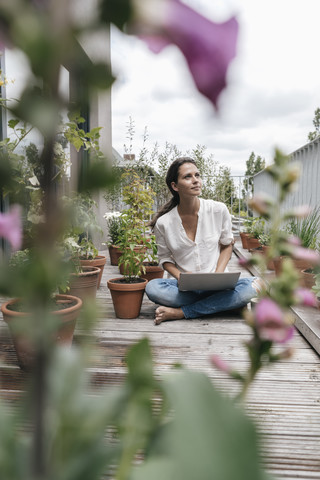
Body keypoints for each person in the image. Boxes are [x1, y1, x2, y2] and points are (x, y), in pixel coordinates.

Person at [145, 157, 262, 325]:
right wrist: (180, 277)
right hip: (186, 289)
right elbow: (164, 259)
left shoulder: (218, 209)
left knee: (257, 284)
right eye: (188, 177)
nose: (195, 180)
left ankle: (182, 312)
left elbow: (227, 245)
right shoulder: (164, 223)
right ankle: (225, 304)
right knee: (152, 288)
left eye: (197, 175)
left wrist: (218, 274)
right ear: (175, 186)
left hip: (219, 284)